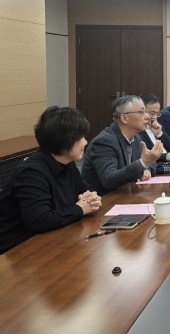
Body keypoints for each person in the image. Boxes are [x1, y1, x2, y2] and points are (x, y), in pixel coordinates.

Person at [0, 107, 102, 254]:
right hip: (19, 249)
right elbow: (39, 221)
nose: (85, 142)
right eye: (80, 137)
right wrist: (80, 209)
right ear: (64, 140)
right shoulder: (32, 172)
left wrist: (92, 198)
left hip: (54, 237)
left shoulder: (67, 163)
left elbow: (85, 190)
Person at [82, 95, 162, 195]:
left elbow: (150, 161)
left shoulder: (136, 137)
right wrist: (143, 163)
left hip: (127, 194)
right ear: (124, 118)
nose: (148, 117)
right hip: (104, 199)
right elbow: (108, 180)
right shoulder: (104, 141)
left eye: (146, 112)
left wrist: (147, 168)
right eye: (141, 112)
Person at [139, 93, 170, 163]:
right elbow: (143, 156)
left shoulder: (157, 125)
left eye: (157, 114)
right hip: (157, 166)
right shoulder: (138, 130)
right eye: (152, 113)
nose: (154, 117)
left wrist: (159, 134)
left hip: (169, 163)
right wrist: (165, 156)